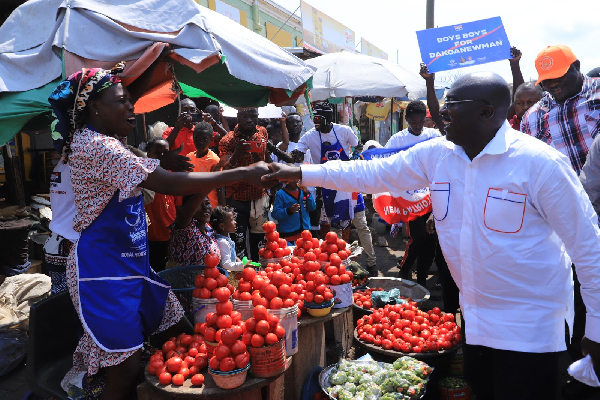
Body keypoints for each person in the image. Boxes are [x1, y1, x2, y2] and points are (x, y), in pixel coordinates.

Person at [264, 71, 600, 400]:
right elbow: (371, 173)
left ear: (487, 112)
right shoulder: (438, 154)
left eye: (452, 103)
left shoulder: (539, 164)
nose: (439, 112)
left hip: (531, 330)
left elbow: (589, 249)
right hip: (476, 322)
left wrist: (597, 328)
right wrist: (299, 172)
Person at [48, 57, 271, 399]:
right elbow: (168, 183)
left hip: (131, 267)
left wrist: (161, 58)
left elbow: (130, 121)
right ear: (94, 107)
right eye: (121, 103)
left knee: (178, 331)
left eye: (130, 101)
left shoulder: (106, 139)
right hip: (103, 274)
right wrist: (241, 172)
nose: (131, 110)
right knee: (125, 372)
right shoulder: (97, 146)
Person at [521, 44, 600, 364]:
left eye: (559, 77)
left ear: (577, 67)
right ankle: (574, 359)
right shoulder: (534, 117)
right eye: (547, 81)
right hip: (564, 219)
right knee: (573, 291)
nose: (553, 86)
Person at [295, 103, 376, 271]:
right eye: (314, 118)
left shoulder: (344, 131)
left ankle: (372, 263)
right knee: (335, 229)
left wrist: (354, 157)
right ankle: (339, 266)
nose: (315, 122)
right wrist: (294, 155)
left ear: (329, 118)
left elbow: (358, 145)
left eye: (318, 119)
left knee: (361, 225)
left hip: (349, 184)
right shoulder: (309, 136)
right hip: (328, 187)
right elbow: (298, 152)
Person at [385, 100, 439, 287]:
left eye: (421, 122)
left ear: (426, 120)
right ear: (406, 119)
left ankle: (422, 278)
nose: (417, 126)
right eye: (413, 122)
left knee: (431, 239)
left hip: (431, 196)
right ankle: (405, 268)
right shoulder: (397, 140)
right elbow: (387, 165)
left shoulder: (434, 136)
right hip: (409, 197)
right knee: (418, 236)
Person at [219, 108, 271, 261]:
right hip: (236, 198)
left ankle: (261, 275)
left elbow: (266, 158)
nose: (249, 120)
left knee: (261, 242)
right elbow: (224, 170)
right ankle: (242, 276)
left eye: (253, 116)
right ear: (237, 117)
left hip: (260, 196)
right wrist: (236, 154)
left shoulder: (262, 132)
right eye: (244, 116)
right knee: (239, 243)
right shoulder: (228, 141)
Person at [144, 137, 181, 272]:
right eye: (157, 152)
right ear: (148, 154)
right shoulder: (144, 177)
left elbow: (177, 206)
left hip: (170, 236)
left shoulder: (171, 176)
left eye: (165, 153)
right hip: (150, 237)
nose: (161, 156)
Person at [43, 156, 79, 293]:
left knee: (60, 298)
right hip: (71, 244)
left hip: (55, 244)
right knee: (73, 301)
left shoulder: (60, 166)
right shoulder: (80, 167)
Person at [168, 195, 220, 268]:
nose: (205, 207)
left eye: (207, 203)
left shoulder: (209, 230)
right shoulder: (185, 228)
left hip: (208, 278)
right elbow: (186, 214)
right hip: (182, 278)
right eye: (199, 204)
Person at [187, 121, 225, 208]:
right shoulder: (189, 157)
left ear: (211, 140)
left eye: (205, 139)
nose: (200, 143)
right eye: (197, 138)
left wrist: (221, 211)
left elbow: (220, 188)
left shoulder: (214, 160)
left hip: (211, 208)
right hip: (195, 208)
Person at [210, 206, 246, 272]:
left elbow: (228, 254)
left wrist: (238, 260)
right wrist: (242, 266)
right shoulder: (222, 242)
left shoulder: (225, 238)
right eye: (232, 220)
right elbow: (225, 264)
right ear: (222, 226)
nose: (235, 222)